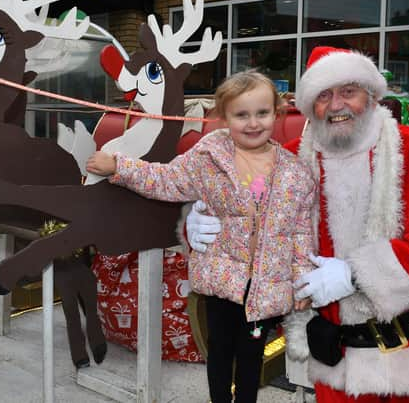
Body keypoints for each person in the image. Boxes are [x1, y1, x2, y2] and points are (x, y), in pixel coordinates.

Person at [186, 47, 409, 403]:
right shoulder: (285, 161)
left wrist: (355, 274)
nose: (336, 105)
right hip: (339, 363)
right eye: (323, 96)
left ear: (371, 96)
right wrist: (201, 223)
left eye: (348, 91)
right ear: (311, 107)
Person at [86, 70, 316, 403]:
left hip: (266, 287)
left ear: (277, 113)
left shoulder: (295, 173)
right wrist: (119, 167)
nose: (253, 123)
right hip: (221, 281)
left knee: (251, 357)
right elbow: (167, 179)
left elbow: (300, 232)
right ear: (225, 117)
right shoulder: (210, 157)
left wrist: (304, 280)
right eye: (241, 115)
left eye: (262, 113)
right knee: (220, 352)